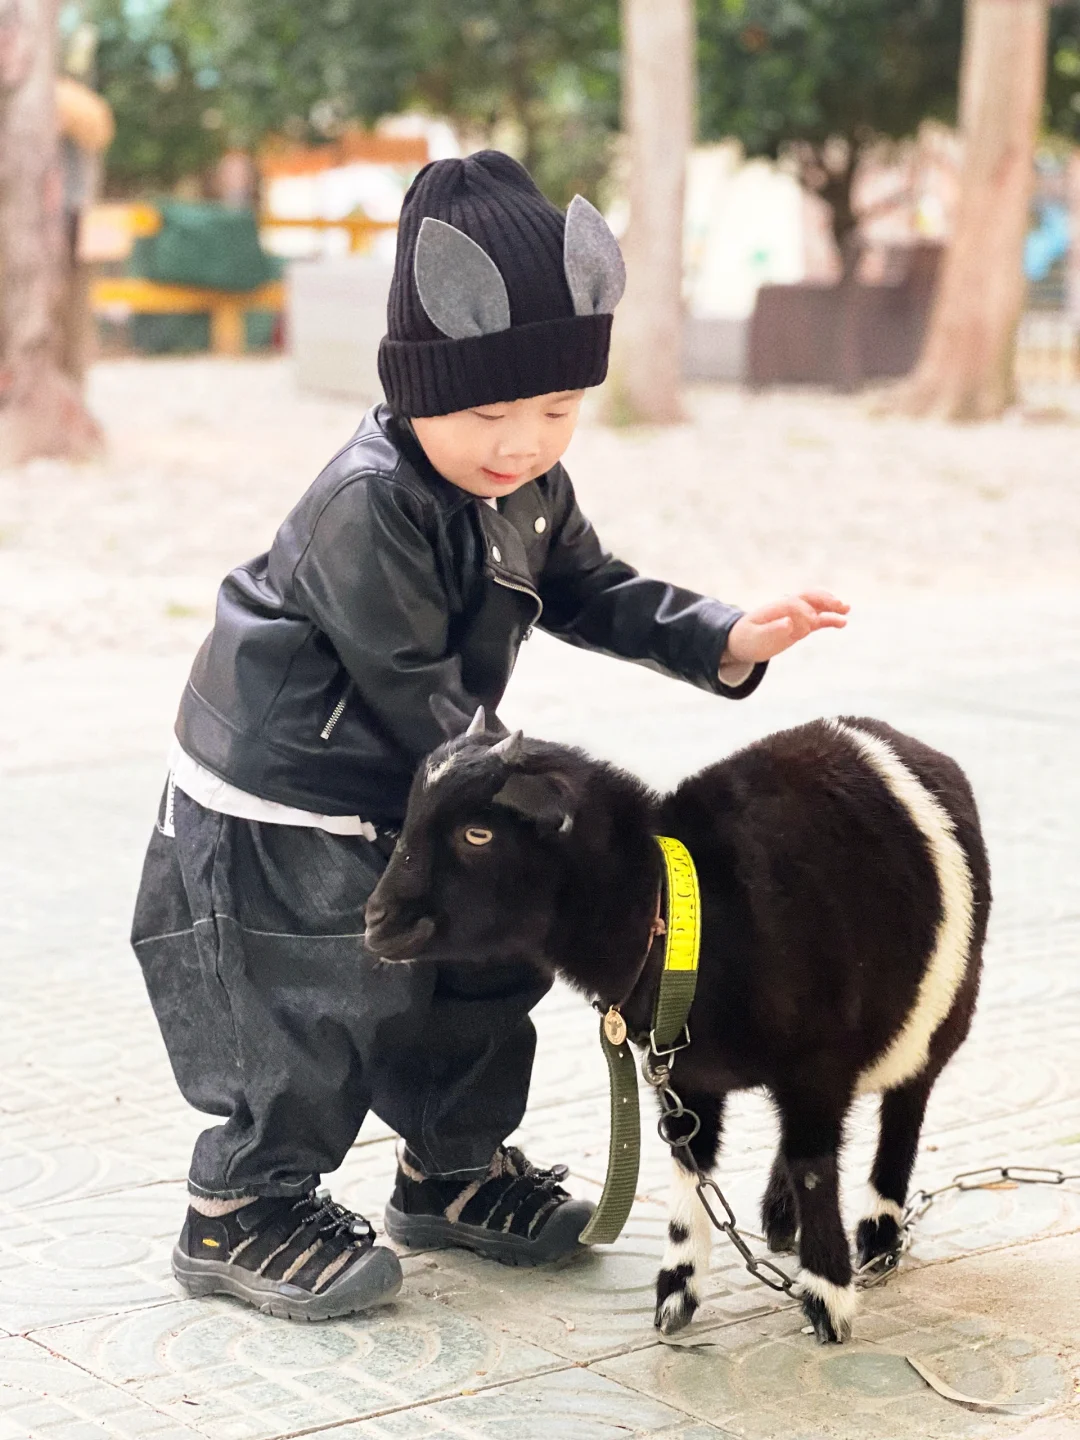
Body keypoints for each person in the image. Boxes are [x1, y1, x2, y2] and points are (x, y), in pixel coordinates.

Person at [131, 150, 848, 1323]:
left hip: (435, 779)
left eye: (559, 411)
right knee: (316, 1002)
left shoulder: (528, 487)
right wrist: (532, 811)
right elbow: (408, 685)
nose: (522, 442)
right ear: (415, 389)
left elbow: (592, 588)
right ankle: (243, 1204)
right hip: (295, 800)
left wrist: (721, 636)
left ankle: (451, 1168)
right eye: (489, 413)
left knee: (486, 962)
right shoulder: (367, 502)